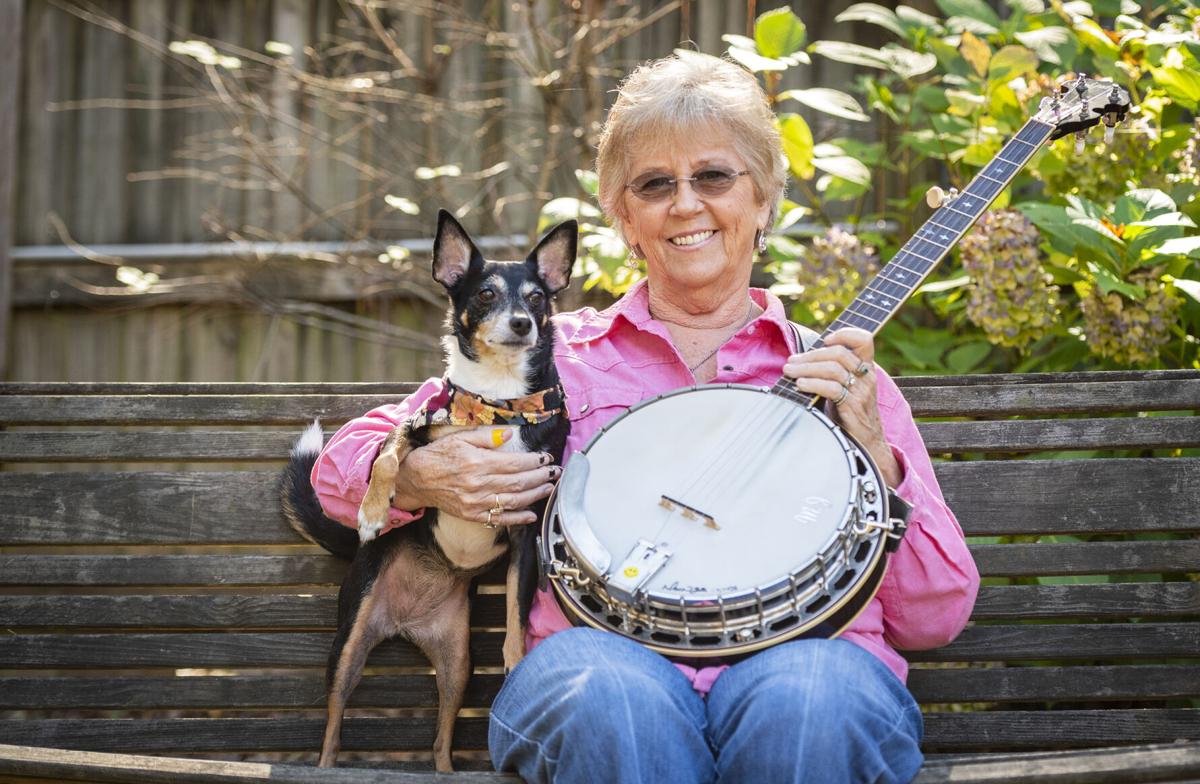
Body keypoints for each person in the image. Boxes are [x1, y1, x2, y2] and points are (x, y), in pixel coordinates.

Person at [311, 51, 980, 784]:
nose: (686, 204)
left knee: (811, 704)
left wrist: (876, 455)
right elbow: (341, 474)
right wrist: (416, 476)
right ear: (625, 219)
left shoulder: (841, 377)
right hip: (601, 654)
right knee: (610, 703)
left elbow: (935, 613)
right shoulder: (555, 358)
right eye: (655, 185)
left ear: (764, 201)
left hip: (812, 654)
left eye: (715, 177)